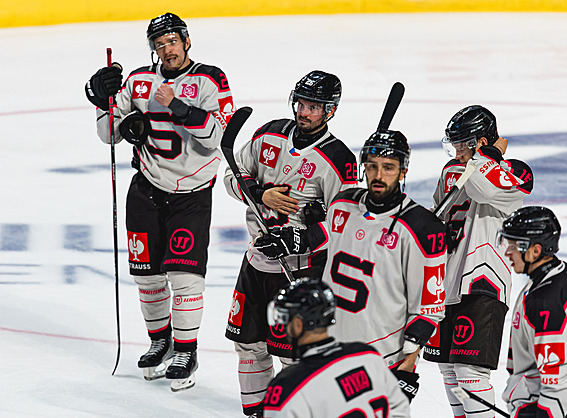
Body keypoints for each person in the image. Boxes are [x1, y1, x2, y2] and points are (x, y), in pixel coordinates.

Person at [85, 12, 235, 391]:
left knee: (185, 278)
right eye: (159, 43)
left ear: (186, 41)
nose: (166, 49)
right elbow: (109, 134)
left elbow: (218, 136)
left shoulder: (210, 79)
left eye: (172, 40)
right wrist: (102, 102)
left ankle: (186, 350)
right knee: (148, 277)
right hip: (146, 189)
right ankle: (161, 341)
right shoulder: (138, 81)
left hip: (192, 194)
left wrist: (179, 108)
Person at [255, 129, 448, 404]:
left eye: (389, 168)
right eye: (372, 166)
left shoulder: (422, 228)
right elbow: (323, 238)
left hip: (382, 358)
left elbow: (429, 309)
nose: (379, 176)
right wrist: (291, 239)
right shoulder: (342, 204)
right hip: (329, 351)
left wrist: (407, 366)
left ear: (403, 171)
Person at [223, 70, 357, 417]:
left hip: (300, 270)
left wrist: (302, 237)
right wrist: (258, 192)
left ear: (330, 111)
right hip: (255, 260)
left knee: (292, 353)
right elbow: (232, 176)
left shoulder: (338, 159)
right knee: (247, 345)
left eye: (314, 106)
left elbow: (346, 222)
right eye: (301, 102)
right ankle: (255, 414)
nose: (304, 111)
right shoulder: (269, 133)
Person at [422, 105, 534, 417]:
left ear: (480, 144)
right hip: (445, 283)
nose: (456, 153)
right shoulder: (451, 171)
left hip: (483, 282)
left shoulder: (515, 173)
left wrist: (489, 156)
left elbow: (482, 189)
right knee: (448, 369)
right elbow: (437, 213)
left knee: (471, 374)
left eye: (462, 146)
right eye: (454, 146)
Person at [497, 206, 567, 417]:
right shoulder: (559, 273)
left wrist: (545, 413)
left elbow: (558, 378)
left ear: (536, 250)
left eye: (513, 245)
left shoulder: (545, 300)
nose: (508, 252)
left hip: (556, 407)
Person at [263, 277, 410, 417]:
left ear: (297, 324)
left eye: (284, 319)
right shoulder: (368, 356)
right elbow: (399, 409)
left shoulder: (287, 387)